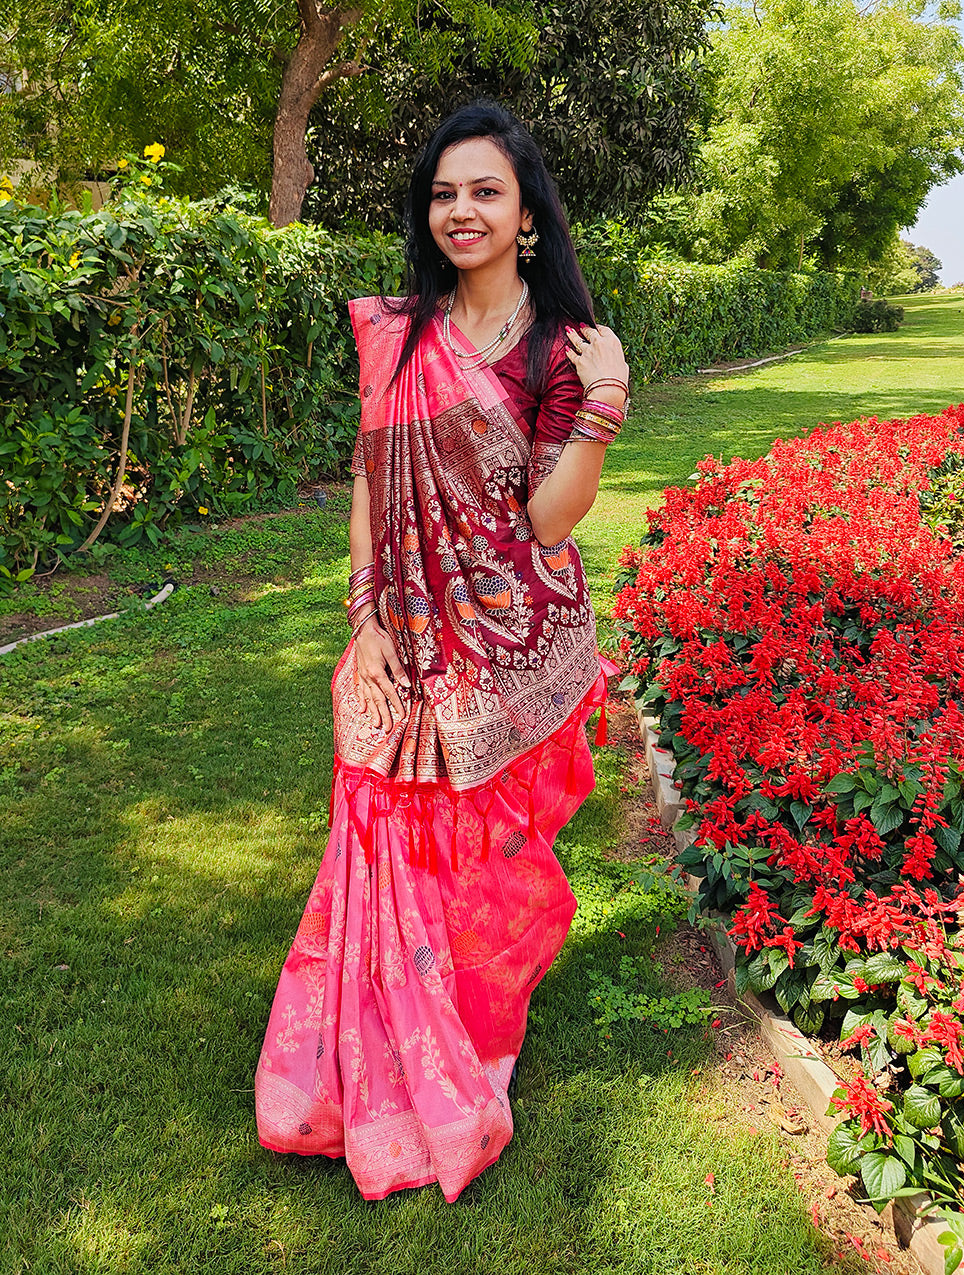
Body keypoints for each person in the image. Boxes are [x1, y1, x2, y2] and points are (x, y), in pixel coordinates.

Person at [255, 100, 629, 1203]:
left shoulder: (565, 347)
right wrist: (364, 617)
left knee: (487, 857)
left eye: (484, 192)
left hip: (513, 641)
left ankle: (474, 1040)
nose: (459, 211)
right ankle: (382, 1059)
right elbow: (373, 478)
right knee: (381, 824)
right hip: (400, 632)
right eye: (443, 194)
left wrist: (602, 410)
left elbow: (551, 522)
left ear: (526, 216)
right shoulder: (393, 332)